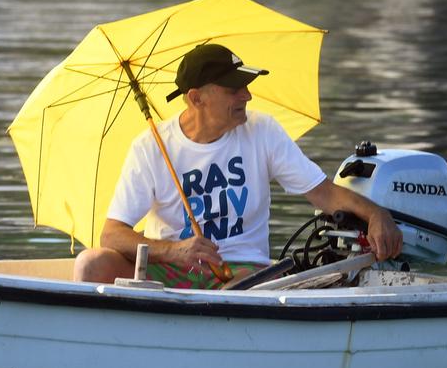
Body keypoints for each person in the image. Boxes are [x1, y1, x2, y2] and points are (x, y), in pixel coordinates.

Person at [73, 43, 403, 285]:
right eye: (234, 89)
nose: (246, 96)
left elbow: (325, 194)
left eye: (245, 85)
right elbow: (112, 235)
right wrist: (174, 251)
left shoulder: (262, 131)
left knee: (241, 286)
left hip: (245, 272)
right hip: (171, 271)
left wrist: (377, 215)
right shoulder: (151, 147)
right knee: (92, 264)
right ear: (196, 98)